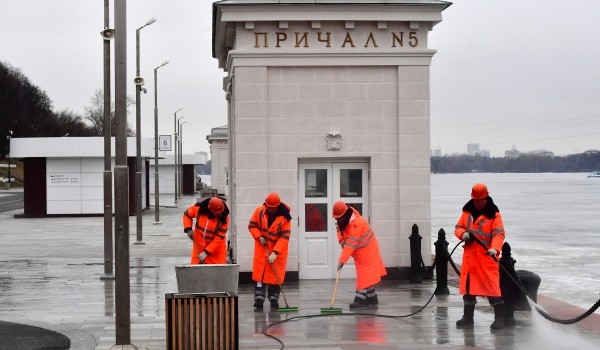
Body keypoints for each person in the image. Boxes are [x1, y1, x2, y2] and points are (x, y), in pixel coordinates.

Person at [454, 182, 507, 330]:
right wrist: (463, 234)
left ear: (486, 198)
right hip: (470, 258)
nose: (478, 203)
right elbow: (458, 227)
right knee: (469, 290)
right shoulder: (467, 212)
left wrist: (495, 249)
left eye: (481, 200)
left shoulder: (494, 215)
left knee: (492, 289)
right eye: (476, 200)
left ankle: (499, 319)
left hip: (486, 258)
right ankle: (468, 317)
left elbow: (499, 234)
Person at [333, 201, 386, 309]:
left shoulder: (357, 223)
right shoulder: (342, 222)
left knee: (365, 274)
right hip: (360, 250)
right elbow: (343, 239)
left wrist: (342, 261)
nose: (337, 220)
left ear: (345, 215)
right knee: (367, 274)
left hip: (368, 249)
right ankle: (372, 298)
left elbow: (350, 244)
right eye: (336, 218)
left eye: (339, 218)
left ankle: (360, 299)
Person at [248, 192, 292, 310]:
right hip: (262, 247)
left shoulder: (285, 218)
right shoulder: (259, 211)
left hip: (277, 250)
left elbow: (284, 237)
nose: (271, 210)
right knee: (259, 275)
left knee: (275, 275)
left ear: (278, 206)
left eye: (274, 208)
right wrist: (259, 237)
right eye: (269, 208)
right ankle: (259, 298)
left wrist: (275, 252)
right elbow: (252, 225)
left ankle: (274, 298)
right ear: (266, 205)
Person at [182, 197, 229, 264]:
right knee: (196, 271)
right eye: (217, 213)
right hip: (199, 247)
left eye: (221, 212)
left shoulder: (224, 218)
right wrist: (188, 229)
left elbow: (219, 238)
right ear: (210, 210)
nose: (220, 214)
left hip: (216, 250)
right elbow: (187, 215)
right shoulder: (198, 209)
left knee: (217, 272)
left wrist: (206, 252)